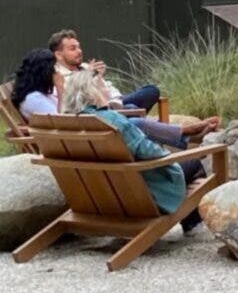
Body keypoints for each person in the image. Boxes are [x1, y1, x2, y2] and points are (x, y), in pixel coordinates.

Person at [61, 70, 205, 232]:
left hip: (97, 198)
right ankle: (192, 223)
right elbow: (153, 153)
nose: (108, 89)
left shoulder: (66, 123)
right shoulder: (113, 121)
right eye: (104, 85)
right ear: (94, 92)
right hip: (137, 197)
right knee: (194, 163)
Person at [10, 48, 216, 149]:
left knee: (133, 112)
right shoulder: (34, 99)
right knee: (133, 119)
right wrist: (62, 87)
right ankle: (187, 134)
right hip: (75, 141)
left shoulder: (39, 94)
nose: (56, 71)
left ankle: (186, 136)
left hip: (78, 134)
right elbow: (64, 121)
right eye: (53, 68)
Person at [49, 29, 161, 113]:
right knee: (132, 109)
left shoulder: (85, 66)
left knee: (151, 91)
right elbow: (77, 99)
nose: (79, 51)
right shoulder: (57, 74)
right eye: (73, 48)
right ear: (58, 55)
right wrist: (89, 76)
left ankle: (124, 115)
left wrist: (100, 78)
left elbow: (109, 89)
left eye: (79, 47)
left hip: (113, 102)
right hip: (94, 110)